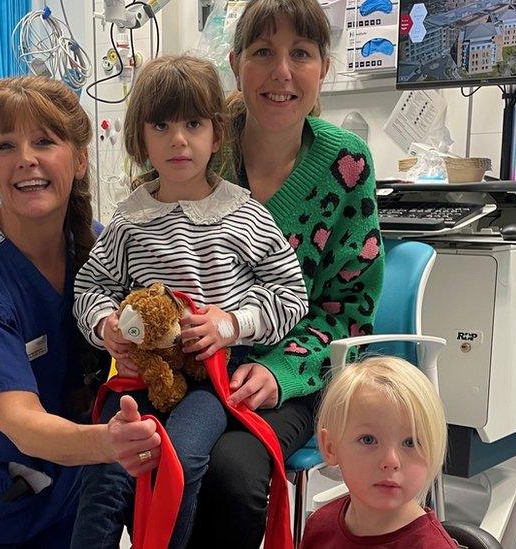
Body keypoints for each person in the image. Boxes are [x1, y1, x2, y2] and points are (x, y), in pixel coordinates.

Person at [0, 75, 162, 548]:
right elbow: (22, 424)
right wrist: (111, 443)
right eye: (5, 146)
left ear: (80, 159)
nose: (25, 158)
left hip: (61, 488)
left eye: (44, 141)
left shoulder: (100, 252)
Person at [70, 54, 309, 549]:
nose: (179, 139)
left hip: (209, 381)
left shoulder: (245, 214)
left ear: (215, 137)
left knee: (180, 456)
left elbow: (291, 294)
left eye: (194, 124)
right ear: (140, 140)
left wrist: (232, 325)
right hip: (140, 375)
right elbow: (89, 287)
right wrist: (104, 324)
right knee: (108, 466)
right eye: (162, 125)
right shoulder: (128, 221)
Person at [189, 0, 385, 545]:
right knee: (157, 460)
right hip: (195, 366)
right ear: (235, 63)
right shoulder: (199, 148)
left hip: (294, 371)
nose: (281, 72)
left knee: (234, 471)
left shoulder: (347, 166)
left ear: (323, 68)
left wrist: (281, 373)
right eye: (262, 53)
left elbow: (347, 312)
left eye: (300, 53)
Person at [302, 356, 456, 548]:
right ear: (330, 447)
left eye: (410, 442)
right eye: (368, 440)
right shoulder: (319, 525)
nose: (391, 461)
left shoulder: (431, 546)